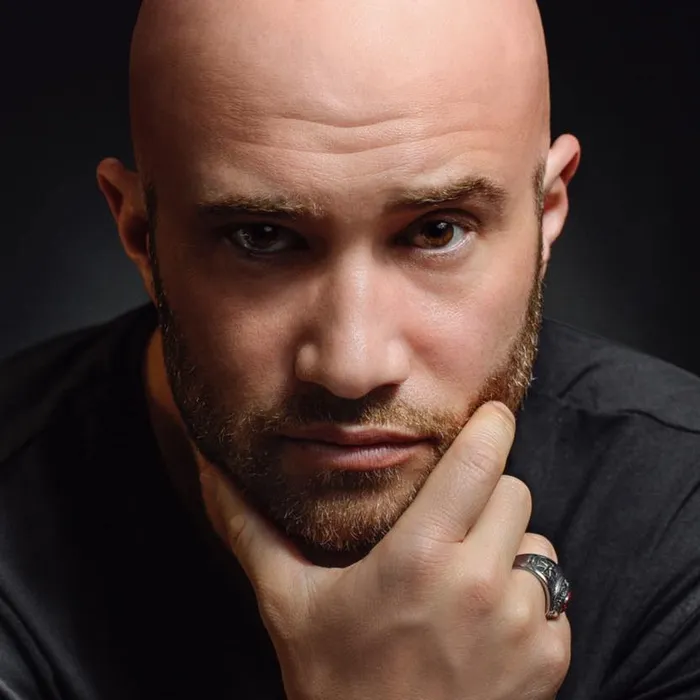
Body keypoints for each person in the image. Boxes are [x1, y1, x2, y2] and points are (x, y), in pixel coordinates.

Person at [1, 0, 700, 698]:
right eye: (261, 237)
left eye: (437, 231)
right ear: (141, 236)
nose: (351, 368)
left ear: (544, 216)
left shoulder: (681, 516)